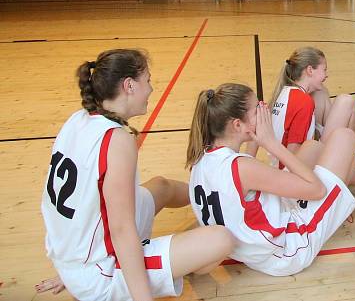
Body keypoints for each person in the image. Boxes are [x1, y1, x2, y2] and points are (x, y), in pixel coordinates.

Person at [38, 49, 233, 300]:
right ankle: (174, 266)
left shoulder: (78, 118)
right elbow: (121, 230)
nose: (151, 89)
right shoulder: (117, 139)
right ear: (129, 85)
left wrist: (71, 265)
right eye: (148, 80)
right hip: (101, 272)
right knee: (220, 240)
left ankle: (216, 192)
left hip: (74, 257)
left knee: (161, 187)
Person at [186, 83, 355, 276]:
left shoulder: (202, 158)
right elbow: (317, 190)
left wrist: (256, 138)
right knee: (344, 137)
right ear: (237, 125)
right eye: (256, 110)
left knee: (312, 147)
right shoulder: (243, 168)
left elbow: (245, 174)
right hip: (288, 250)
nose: (263, 110)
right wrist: (271, 143)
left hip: (250, 247)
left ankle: (347, 192)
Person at [249, 48, 355, 159]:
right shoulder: (304, 102)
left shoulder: (285, 91)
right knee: (347, 101)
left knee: (322, 92)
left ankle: (350, 156)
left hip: (282, 160)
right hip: (298, 167)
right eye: (324, 70)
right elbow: (293, 154)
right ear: (310, 70)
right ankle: (350, 159)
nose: (326, 75)